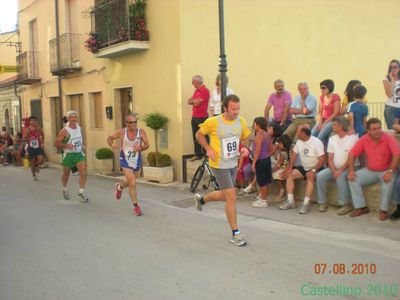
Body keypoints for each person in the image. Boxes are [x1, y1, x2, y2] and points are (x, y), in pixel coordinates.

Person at [194, 94, 251, 246]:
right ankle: (235, 233)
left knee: (226, 195)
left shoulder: (241, 121)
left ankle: (202, 200)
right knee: (232, 196)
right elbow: (199, 134)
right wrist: (207, 148)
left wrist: (245, 147)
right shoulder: (213, 122)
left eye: (238, 108)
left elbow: (245, 137)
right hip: (218, 164)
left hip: (233, 163)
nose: (236, 112)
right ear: (225, 108)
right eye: (233, 109)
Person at [347, 118, 400, 221]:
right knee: (352, 178)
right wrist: (351, 170)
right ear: (368, 131)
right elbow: (352, 154)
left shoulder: (388, 138)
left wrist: (390, 171)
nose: (378, 131)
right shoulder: (364, 139)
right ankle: (362, 207)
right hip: (370, 171)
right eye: (374, 129)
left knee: (387, 184)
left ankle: (383, 210)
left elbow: (397, 155)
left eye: (379, 128)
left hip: (387, 170)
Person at [107, 114, 149, 216]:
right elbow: (110, 138)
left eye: (135, 122)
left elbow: (147, 145)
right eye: (131, 122)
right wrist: (112, 144)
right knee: (133, 182)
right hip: (125, 159)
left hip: (136, 159)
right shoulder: (122, 132)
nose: (133, 124)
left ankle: (119, 187)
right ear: (126, 123)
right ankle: (136, 207)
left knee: (131, 180)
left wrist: (141, 148)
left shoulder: (141, 132)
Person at [316, 117, 359, 214]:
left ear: (340, 126)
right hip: (335, 167)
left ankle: (345, 204)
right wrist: (334, 170)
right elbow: (330, 158)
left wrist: (339, 171)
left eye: (335, 124)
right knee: (320, 176)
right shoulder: (332, 139)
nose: (332, 126)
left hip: (351, 167)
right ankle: (322, 202)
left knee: (340, 177)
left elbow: (351, 159)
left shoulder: (352, 138)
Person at [280, 125, 325, 214]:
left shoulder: (317, 142)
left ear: (304, 133)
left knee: (310, 177)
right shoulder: (299, 142)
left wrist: (313, 170)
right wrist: (289, 168)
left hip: (315, 167)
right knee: (290, 175)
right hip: (304, 167)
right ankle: (290, 201)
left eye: (298, 132)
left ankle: (306, 203)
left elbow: (322, 160)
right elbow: (294, 155)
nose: (296, 133)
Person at [54, 111, 89, 202]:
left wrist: (83, 145)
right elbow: (56, 143)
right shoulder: (64, 131)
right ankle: (65, 189)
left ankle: (81, 193)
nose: (74, 119)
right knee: (66, 174)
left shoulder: (79, 128)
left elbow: (80, 139)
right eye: (71, 117)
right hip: (68, 155)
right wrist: (66, 145)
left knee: (83, 173)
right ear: (68, 119)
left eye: (75, 117)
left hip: (78, 154)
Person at [251, 117, 273, 208]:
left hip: (261, 160)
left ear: (258, 125)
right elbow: (271, 149)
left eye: (254, 124)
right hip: (267, 159)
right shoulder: (267, 135)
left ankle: (263, 200)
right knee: (265, 181)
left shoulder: (259, 135)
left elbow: (258, 150)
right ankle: (264, 198)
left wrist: (254, 162)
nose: (254, 126)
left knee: (262, 181)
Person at [311, 79, 341, 146]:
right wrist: (320, 122)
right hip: (323, 120)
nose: (322, 89)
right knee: (312, 135)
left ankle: (324, 153)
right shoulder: (322, 97)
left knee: (320, 137)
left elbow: (336, 112)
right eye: (321, 88)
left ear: (330, 87)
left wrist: (324, 123)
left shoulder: (336, 97)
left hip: (333, 121)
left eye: (324, 88)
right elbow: (320, 111)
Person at [187, 75, 210, 161]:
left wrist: (193, 101)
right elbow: (189, 101)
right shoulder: (196, 91)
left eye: (193, 82)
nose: (192, 84)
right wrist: (194, 101)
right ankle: (198, 154)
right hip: (194, 116)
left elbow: (197, 102)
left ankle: (206, 154)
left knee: (204, 135)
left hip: (202, 116)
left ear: (197, 82)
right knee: (195, 136)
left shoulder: (205, 90)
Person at [22, 116, 44, 180]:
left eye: (35, 120)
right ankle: (34, 175)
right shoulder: (27, 129)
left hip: (38, 146)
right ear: (29, 122)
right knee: (32, 160)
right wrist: (29, 138)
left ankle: (36, 165)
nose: (34, 121)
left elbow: (42, 135)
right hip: (30, 147)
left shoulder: (39, 128)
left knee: (41, 160)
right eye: (32, 120)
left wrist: (42, 142)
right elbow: (23, 139)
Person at [272, 134, 292, 200]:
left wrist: (284, 171)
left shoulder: (290, 150)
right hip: (284, 166)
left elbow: (290, 163)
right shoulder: (282, 150)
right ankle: (282, 190)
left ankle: (283, 192)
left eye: (280, 143)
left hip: (290, 166)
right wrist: (276, 167)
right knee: (275, 174)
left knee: (280, 175)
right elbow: (281, 160)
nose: (279, 145)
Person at [383, 59, 400, 129]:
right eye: (391, 67)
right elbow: (389, 94)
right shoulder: (386, 79)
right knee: (392, 131)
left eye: (395, 67)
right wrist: (392, 80)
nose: (393, 69)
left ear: (399, 68)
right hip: (390, 108)